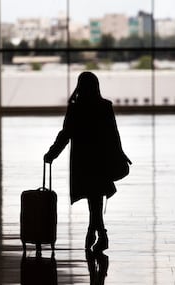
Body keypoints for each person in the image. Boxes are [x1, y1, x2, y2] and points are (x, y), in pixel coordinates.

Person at [44, 71, 130, 253]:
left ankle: (99, 234)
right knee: (95, 198)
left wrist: (52, 154)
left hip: (83, 161)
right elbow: (113, 134)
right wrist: (120, 154)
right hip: (101, 159)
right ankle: (95, 232)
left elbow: (65, 134)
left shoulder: (76, 107)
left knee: (94, 198)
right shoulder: (105, 106)